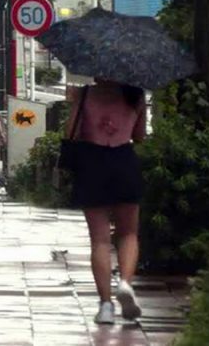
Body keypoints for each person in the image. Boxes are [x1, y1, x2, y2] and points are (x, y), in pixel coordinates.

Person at [65, 79, 146, 325]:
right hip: (124, 161)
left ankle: (106, 306)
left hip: (92, 164)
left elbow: (70, 134)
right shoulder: (135, 95)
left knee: (100, 239)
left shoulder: (85, 94)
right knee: (128, 233)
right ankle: (125, 283)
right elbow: (139, 136)